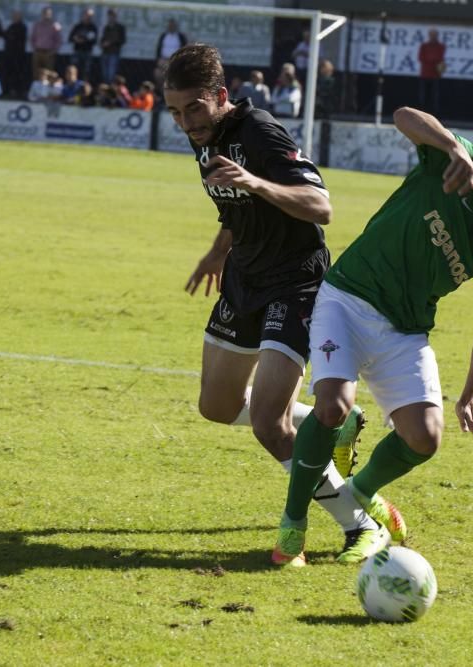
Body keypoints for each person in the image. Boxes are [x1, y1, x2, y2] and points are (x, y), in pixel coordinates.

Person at [271, 107, 473, 565]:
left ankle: (361, 490)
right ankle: (293, 527)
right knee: (332, 405)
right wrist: (451, 145)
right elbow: (404, 116)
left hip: (405, 331)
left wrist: (470, 393)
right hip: (348, 298)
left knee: (425, 437)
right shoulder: (461, 163)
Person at [162, 43, 392, 566]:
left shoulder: (259, 131)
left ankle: (359, 524)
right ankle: (333, 422)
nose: (185, 121)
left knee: (269, 422)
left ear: (220, 97)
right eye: (175, 112)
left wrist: (255, 181)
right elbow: (235, 208)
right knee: (216, 407)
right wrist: (216, 251)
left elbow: (321, 207)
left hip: (296, 284)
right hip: (244, 279)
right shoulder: (204, 139)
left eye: (194, 108)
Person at [30, 6, 62, 82]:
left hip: (49, 53)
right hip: (38, 51)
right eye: (45, 13)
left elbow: (59, 40)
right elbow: (32, 38)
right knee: (36, 72)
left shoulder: (55, 26)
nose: (46, 15)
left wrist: (54, 51)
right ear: (42, 14)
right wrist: (34, 48)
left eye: (48, 14)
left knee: (48, 73)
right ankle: (36, 89)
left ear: (51, 15)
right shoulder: (37, 25)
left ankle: (47, 91)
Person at [417, 28, 445, 115]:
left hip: (435, 74)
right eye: (431, 35)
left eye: (435, 35)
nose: (433, 37)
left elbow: (440, 58)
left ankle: (434, 113)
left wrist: (433, 62)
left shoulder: (441, 46)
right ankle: (422, 112)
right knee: (423, 95)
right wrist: (432, 61)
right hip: (424, 74)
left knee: (435, 95)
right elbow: (421, 58)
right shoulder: (424, 46)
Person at [1, 10, 28, 98]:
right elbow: (6, 36)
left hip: (18, 56)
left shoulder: (22, 27)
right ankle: (7, 90)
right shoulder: (11, 26)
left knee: (17, 74)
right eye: (13, 16)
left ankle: (17, 91)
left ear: (20, 17)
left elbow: (17, 39)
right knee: (7, 73)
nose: (14, 18)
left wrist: (11, 37)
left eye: (16, 16)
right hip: (9, 55)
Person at [68, 8, 98, 81]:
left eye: (90, 16)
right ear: (83, 15)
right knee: (74, 69)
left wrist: (84, 41)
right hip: (77, 51)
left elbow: (94, 41)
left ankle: (84, 87)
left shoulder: (93, 27)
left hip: (87, 52)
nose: (88, 17)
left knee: (86, 71)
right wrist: (76, 39)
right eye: (87, 15)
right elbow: (70, 38)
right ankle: (73, 85)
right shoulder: (78, 26)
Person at [99, 8, 126, 84]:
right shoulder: (106, 27)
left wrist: (110, 42)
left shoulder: (120, 27)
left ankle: (111, 90)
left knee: (111, 74)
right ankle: (106, 89)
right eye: (110, 15)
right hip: (105, 53)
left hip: (114, 53)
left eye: (113, 15)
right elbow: (102, 39)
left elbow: (122, 40)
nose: (111, 17)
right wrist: (102, 43)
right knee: (104, 74)